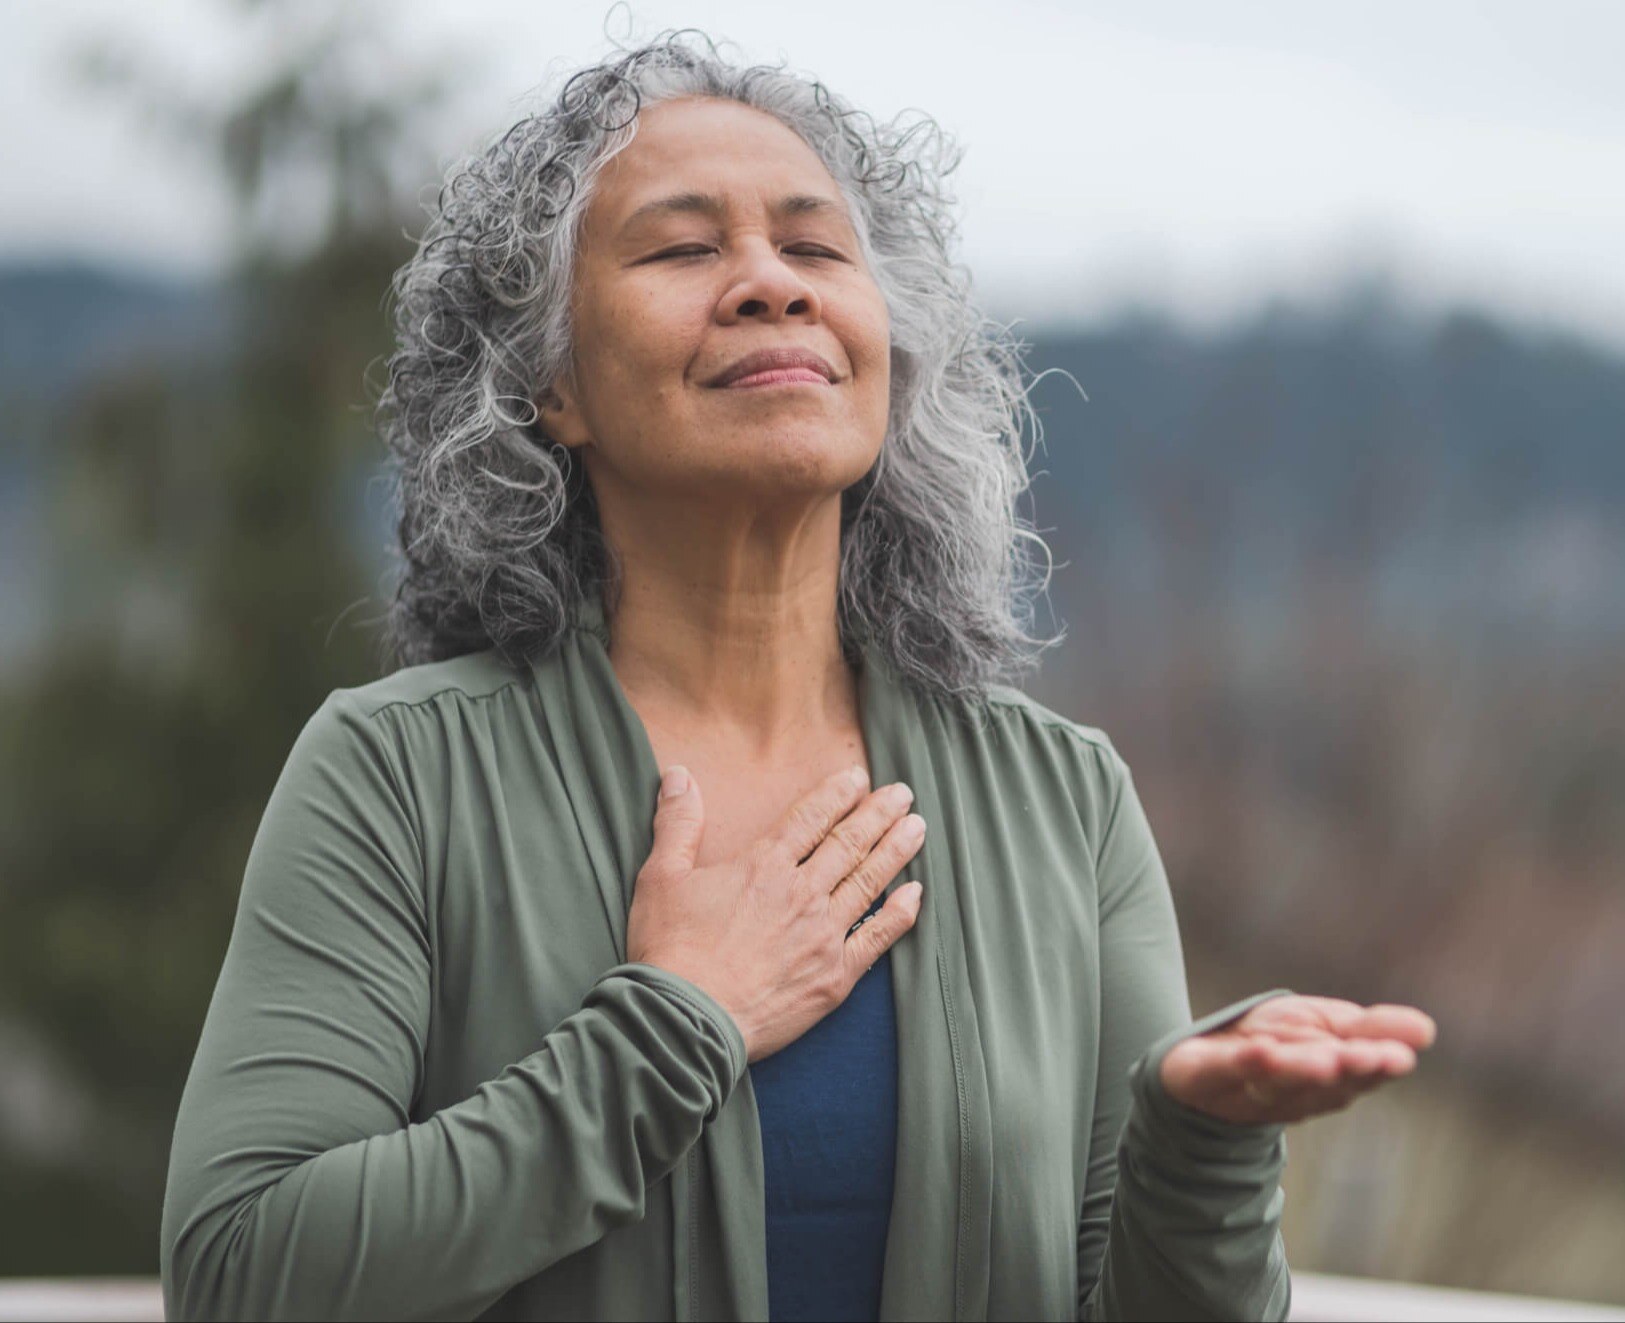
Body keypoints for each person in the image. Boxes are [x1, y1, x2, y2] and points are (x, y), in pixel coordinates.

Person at [159, 32, 1436, 1323]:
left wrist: (1202, 1141)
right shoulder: (399, 777)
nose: (770, 283)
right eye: (679, 247)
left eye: (815, 248)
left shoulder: (1063, 801)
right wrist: (678, 1021)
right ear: (551, 387)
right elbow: (242, 1273)